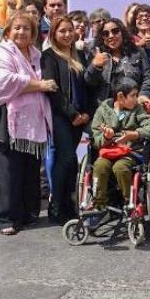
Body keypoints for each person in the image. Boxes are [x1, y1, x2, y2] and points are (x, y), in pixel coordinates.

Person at [0, 11, 55, 235]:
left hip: (32, 122)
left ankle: (27, 214)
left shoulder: (36, 54)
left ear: (34, 33)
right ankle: (5, 219)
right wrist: (40, 85)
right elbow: (4, 80)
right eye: (17, 28)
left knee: (29, 170)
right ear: (8, 31)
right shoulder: (0, 52)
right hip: (3, 118)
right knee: (6, 171)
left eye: (26, 28)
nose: (21, 32)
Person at [42, 16, 91, 224]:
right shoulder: (49, 57)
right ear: (54, 33)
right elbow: (53, 91)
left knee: (71, 161)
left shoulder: (79, 54)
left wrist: (86, 113)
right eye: (62, 31)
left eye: (70, 30)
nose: (67, 34)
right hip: (61, 116)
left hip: (80, 117)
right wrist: (72, 114)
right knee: (65, 160)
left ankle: (69, 205)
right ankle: (57, 206)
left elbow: (87, 86)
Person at [89, 78, 150, 211]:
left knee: (120, 167)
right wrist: (106, 137)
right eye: (133, 95)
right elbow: (95, 140)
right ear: (120, 96)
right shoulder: (102, 110)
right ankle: (99, 203)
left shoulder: (138, 109)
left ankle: (129, 202)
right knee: (99, 166)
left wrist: (135, 134)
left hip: (130, 151)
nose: (136, 98)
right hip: (108, 151)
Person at [86, 18, 150, 112]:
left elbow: (148, 77)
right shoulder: (96, 54)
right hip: (106, 112)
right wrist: (95, 66)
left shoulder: (138, 52)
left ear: (122, 32)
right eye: (106, 34)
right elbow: (89, 83)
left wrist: (144, 95)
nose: (111, 36)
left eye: (115, 31)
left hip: (134, 109)